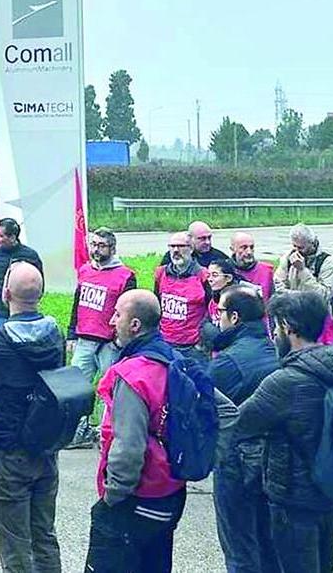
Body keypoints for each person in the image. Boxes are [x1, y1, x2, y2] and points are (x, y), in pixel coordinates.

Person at [235, 291, 333, 573]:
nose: (273, 334)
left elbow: (239, 424)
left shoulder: (284, 382)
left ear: (288, 327)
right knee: (325, 564)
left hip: (294, 498)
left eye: (275, 327)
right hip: (332, 490)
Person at [85, 290, 187, 573]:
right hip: (171, 493)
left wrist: (112, 498)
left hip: (137, 497)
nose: (111, 321)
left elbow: (128, 447)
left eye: (117, 314)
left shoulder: (134, 375)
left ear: (135, 325)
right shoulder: (176, 361)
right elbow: (224, 412)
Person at [0, 262, 64, 572]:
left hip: (8, 449)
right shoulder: (54, 335)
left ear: (5, 294)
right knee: (44, 536)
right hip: (45, 445)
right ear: (41, 293)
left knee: (15, 546)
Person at [206, 286, 281, 573]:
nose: (217, 318)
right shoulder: (276, 350)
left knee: (239, 545)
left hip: (237, 460)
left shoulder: (227, 361)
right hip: (274, 458)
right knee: (269, 541)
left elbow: (205, 411)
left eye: (220, 312)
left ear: (234, 317)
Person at [67, 227, 137, 448]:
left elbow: (128, 311)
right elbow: (77, 303)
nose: (96, 249)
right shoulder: (85, 270)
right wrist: (71, 333)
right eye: (94, 244)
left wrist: (119, 341)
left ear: (112, 248)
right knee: (76, 388)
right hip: (84, 339)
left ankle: (107, 432)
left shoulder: (125, 275)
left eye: (101, 245)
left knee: (110, 390)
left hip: (109, 343)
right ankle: (78, 431)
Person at [273, 223, 333, 345]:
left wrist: (302, 271)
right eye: (294, 246)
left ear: (312, 243)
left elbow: (323, 295)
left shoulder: (327, 263)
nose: (297, 251)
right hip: (292, 316)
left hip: (318, 320)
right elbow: (278, 284)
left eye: (301, 248)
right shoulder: (288, 257)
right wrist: (298, 297)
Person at [153, 231, 211, 360]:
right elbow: (156, 305)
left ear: (191, 249)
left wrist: (201, 341)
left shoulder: (203, 276)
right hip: (166, 343)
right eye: (172, 246)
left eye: (180, 246)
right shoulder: (161, 273)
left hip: (192, 346)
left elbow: (211, 310)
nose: (175, 250)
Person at [0, 218, 44, 331]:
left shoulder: (30, 256)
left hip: (24, 314)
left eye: (0, 236)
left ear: (12, 237)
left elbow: (38, 285)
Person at [158, 221, 230, 268]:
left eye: (209, 238)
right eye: (202, 238)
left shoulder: (219, 257)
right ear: (190, 238)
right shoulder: (175, 255)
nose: (207, 242)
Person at [231, 231, 275, 302]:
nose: (249, 252)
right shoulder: (224, 270)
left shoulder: (267, 271)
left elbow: (274, 299)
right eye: (244, 248)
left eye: (251, 247)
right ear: (233, 249)